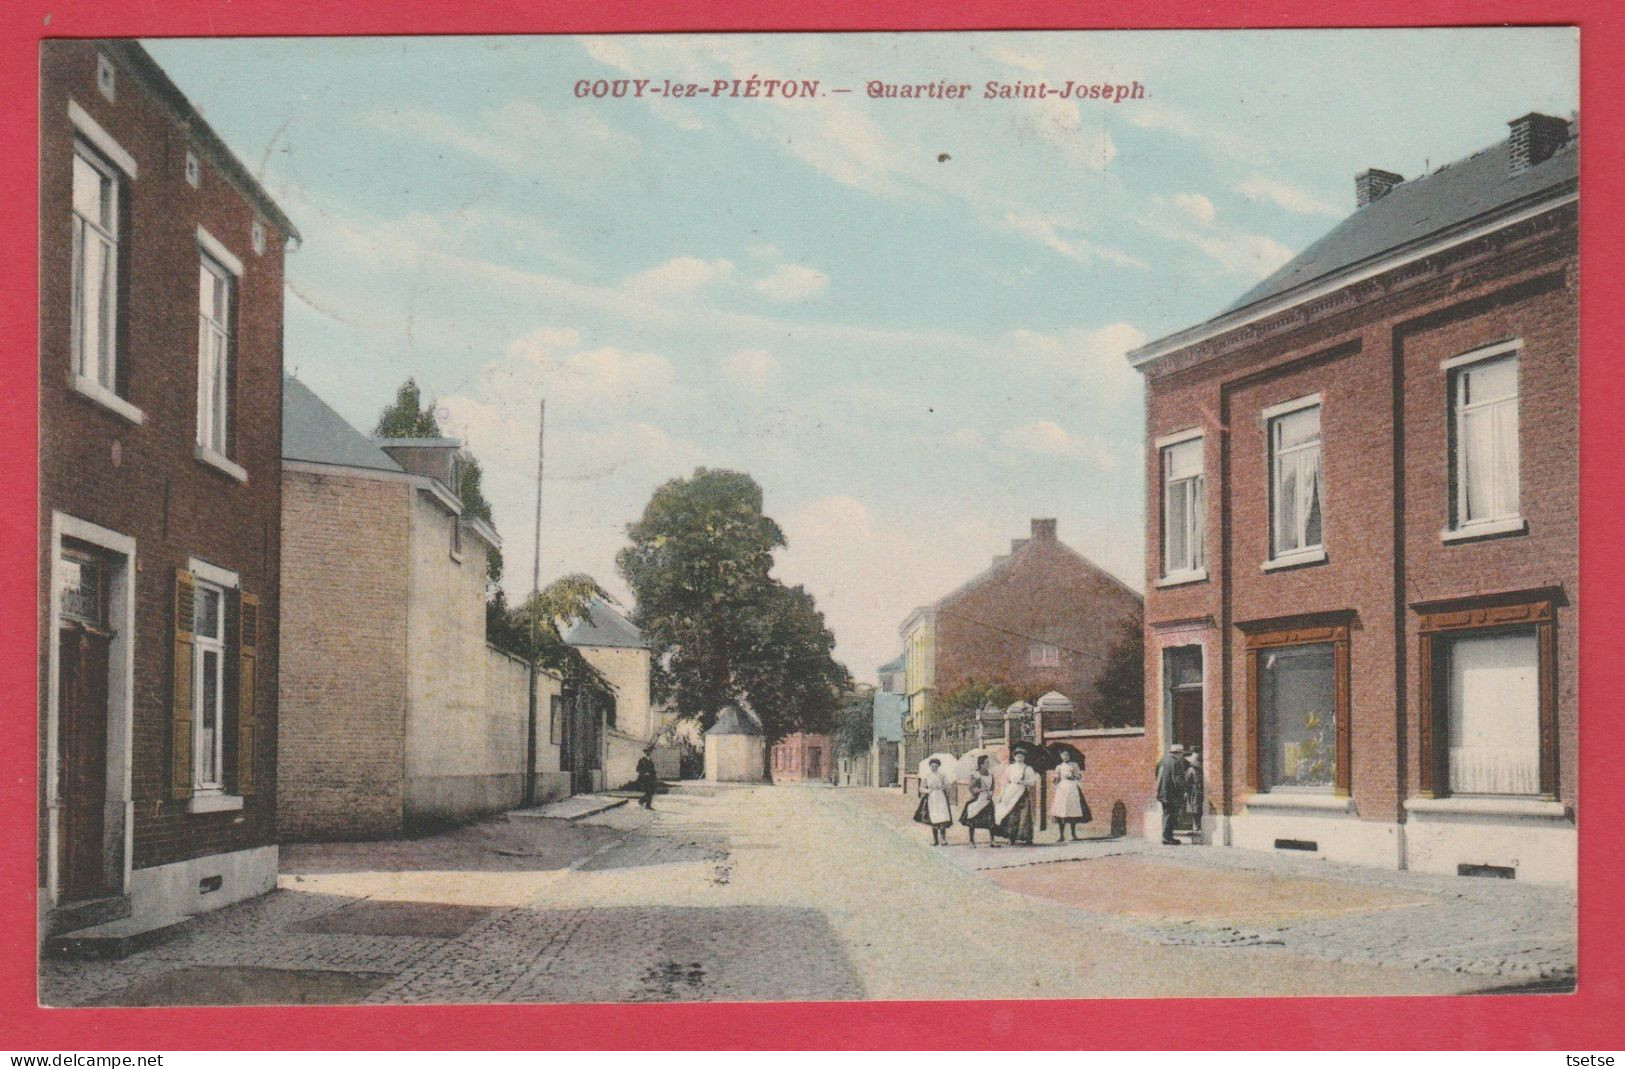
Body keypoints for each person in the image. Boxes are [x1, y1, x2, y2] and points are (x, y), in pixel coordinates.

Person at [993, 750, 1040, 846]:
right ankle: (1011, 838)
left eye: (1021, 756)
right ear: (1014, 757)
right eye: (1017, 756)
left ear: (1024, 757)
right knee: (1011, 814)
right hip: (1011, 792)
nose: (1019, 758)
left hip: (1023, 792)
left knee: (1024, 815)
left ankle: (1027, 838)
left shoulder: (1028, 768)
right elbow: (1004, 782)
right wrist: (1002, 794)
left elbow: (1032, 782)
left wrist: (1024, 782)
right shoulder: (1010, 768)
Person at [1049, 750, 1091, 841]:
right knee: (1061, 810)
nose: (1065, 757)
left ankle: (1073, 834)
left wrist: (1073, 776)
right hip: (1062, 789)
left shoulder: (1074, 765)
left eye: (1067, 755)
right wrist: (1055, 779)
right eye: (1063, 755)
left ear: (1069, 756)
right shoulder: (1059, 767)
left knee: (1073, 810)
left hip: (1072, 788)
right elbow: (1056, 781)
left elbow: (1079, 777)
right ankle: (1061, 835)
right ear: (1061, 756)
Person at [959, 755, 999, 848]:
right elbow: (971, 788)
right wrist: (980, 789)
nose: (988, 764)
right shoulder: (975, 775)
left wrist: (991, 793)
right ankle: (971, 841)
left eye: (988, 762)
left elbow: (992, 786)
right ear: (981, 764)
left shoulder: (990, 773)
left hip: (987, 800)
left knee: (991, 820)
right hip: (977, 799)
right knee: (973, 820)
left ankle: (992, 841)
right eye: (986, 762)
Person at [913, 758, 954, 845]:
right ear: (930, 766)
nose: (934, 768)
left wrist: (943, 786)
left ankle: (943, 839)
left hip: (941, 797)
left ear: (938, 767)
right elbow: (921, 788)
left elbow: (948, 786)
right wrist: (928, 790)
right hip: (931, 797)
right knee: (933, 817)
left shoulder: (942, 775)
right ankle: (935, 840)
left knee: (942, 817)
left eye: (936, 766)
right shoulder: (927, 776)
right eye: (932, 766)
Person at [1155, 744, 1188, 845]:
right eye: (1181, 754)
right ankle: (1167, 838)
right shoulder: (1175, 762)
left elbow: (1156, 774)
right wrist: (1183, 792)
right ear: (1178, 753)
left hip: (1162, 791)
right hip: (1171, 793)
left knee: (1167, 814)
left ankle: (1167, 837)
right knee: (1171, 815)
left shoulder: (1162, 760)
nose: (1182, 756)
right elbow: (1177, 780)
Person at [1184, 749, 1205, 835]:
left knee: (1199, 808)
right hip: (1194, 791)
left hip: (1201, 791)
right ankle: (1195, 825)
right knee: (1194, 809)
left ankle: (1198, 825)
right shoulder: (1190, 770)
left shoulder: (1202, 769)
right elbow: (1187, 781)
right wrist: (1186, 791)